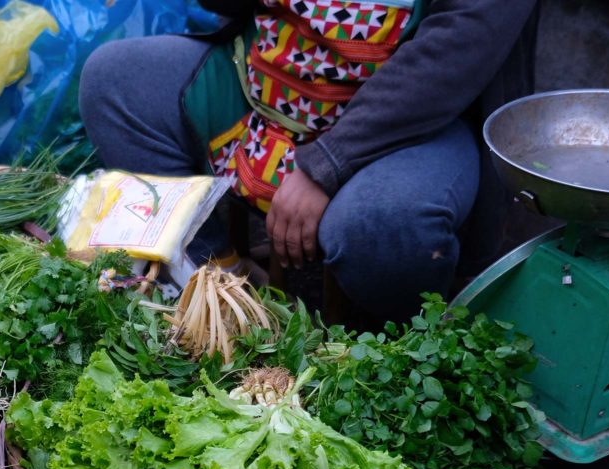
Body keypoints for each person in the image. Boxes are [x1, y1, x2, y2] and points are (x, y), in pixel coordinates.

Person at [79, 0, 540, 323]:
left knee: (384, 227)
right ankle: (215, 279)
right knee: (115, 82)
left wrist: (326, 165)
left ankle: (381, 347)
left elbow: (457, 52)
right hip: (269, 84)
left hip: (406, 123)